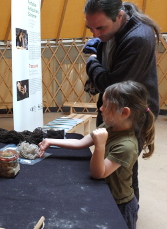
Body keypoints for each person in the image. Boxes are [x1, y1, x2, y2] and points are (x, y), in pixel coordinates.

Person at [38, 81, 155, 229]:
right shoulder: (110, 126)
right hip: (107, 194)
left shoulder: (127, 146)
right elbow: (81, 142)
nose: (100, 108)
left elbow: (98, 173)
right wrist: (50, 141)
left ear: (124, 112)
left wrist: (100, 146)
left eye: (106, 105)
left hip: (120, 203)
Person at [83, 0, 160, 200]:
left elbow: (110, 84)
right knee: (110, 159)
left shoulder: (138, 38)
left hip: (131, 114)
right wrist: (98, 47)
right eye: (90, 28)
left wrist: (91, 62)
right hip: (114, 109)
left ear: (119, 16)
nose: (95, 34)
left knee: (126, 168)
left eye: (100, 27)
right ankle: (114, 203)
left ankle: (127, 208)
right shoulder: (114, 30)